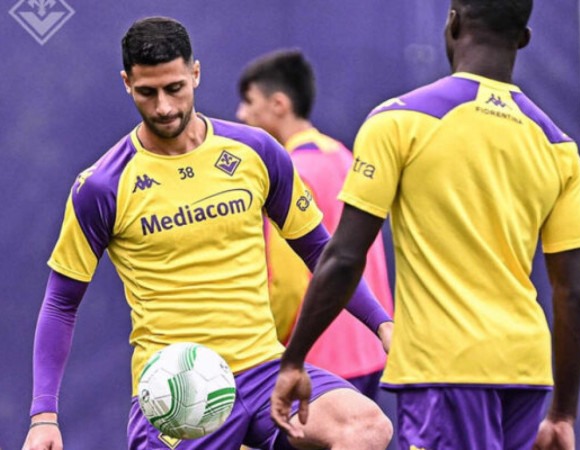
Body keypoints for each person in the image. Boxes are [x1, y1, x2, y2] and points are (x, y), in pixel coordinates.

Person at [22, 16, 394, 450]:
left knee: (365, 428)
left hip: (264, 370)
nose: (163, 106)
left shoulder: (255, 152)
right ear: (126, 83)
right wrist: (43, 415)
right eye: (147, 92)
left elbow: (319, 251)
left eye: (175, 88)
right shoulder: (103, 185)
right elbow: (61, 302)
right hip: (177, 392)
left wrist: (383, 324)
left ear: (195, 73)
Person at [271, 1, 580, 449]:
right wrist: (562, 414)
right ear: (523, 39)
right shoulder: (557, 145)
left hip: (446, 371)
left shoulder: (400, 121)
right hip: (526, 375)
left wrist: (294, 360)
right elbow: (574, 294)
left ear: (453, 22)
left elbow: (344, 258)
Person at [235, 49, 394, 401]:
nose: (240, 114)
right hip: (369, 352)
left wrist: (259, 348)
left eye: (248, 101)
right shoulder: (343, 155)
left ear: (279, 104)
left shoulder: (290, 174)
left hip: (315, 362)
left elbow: (289, 288)